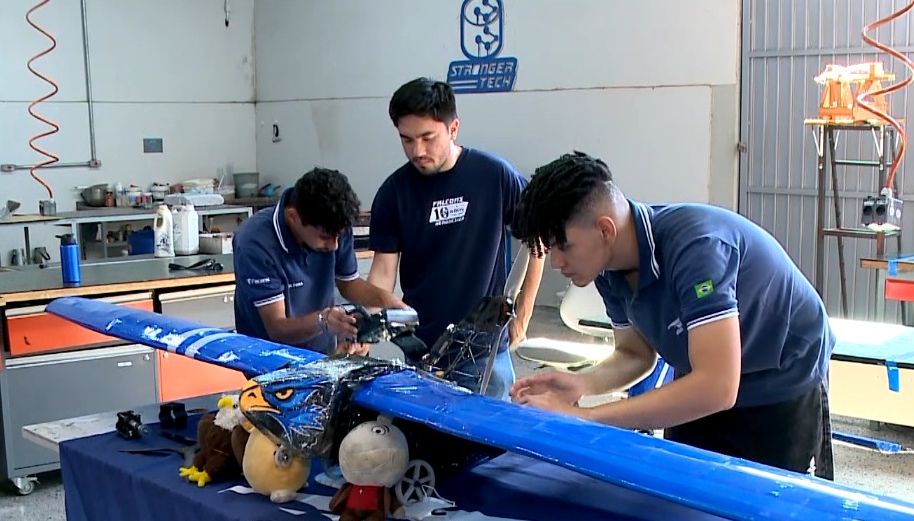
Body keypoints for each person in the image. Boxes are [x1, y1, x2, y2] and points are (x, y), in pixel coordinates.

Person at [508, 151, 835, 479]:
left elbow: (718, 387)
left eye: (563, 247)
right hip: (703, 375)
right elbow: (635, 354)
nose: (556, 263)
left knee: (767, 510)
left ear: (605, 230)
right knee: (684, 491)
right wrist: (582, 383)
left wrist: (587, 418)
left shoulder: (697, 249)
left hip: (781, 378)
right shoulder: (607, 268)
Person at [366, 77, 544, 400]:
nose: (417, 151)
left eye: (427, 138)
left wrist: (525, 310)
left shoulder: (494, 176)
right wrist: (369, 320)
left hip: (485, 351)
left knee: (491, 445)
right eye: (406, 140)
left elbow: (538, 237)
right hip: (421, 348)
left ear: (453, 128)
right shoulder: (393, 194)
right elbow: (382, 272)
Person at [233, 167, 407, 359]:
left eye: (339, 237)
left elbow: (349, 285)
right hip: (266, 360)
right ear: (293, 217)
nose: (334, 246)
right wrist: (324, 320)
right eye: (325, 237)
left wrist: (389, 303)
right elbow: (277, 328)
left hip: (321, 355)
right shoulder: (255, 241)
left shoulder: (336, 224)